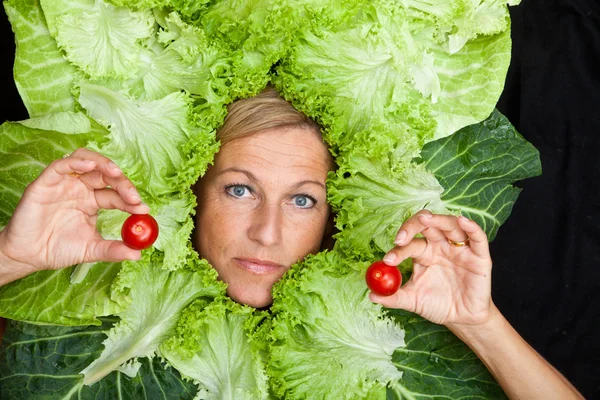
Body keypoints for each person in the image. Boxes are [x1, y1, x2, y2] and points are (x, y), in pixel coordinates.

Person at [0, 88, 584, 399]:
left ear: (334, 217)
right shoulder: (107, 331)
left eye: (302, 199)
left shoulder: (385, 338)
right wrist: (13, 257)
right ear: (193, 195)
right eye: (239, 190)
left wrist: (481, 324)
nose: (268, 232)